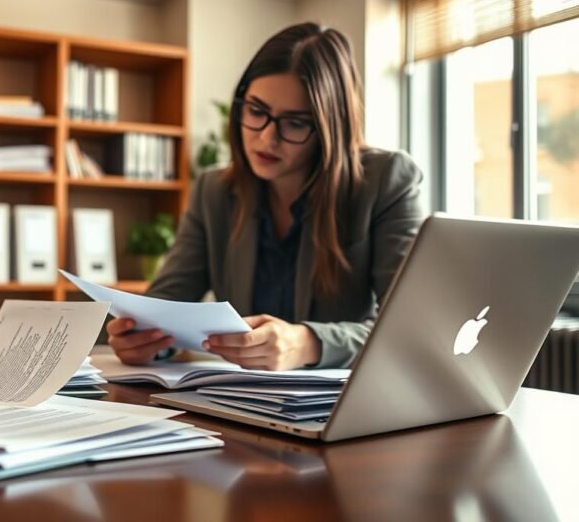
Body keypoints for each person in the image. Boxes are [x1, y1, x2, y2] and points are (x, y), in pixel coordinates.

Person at [107, 23, 424, 370]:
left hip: (342, 408)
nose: (266, 139)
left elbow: (414, 330)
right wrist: (144, 341)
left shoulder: (385, 181)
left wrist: (309, 343)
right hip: (244, 400)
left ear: (329, 128)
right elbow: (166, 305)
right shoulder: (214, 191)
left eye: (295, 123)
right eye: (256, 112)